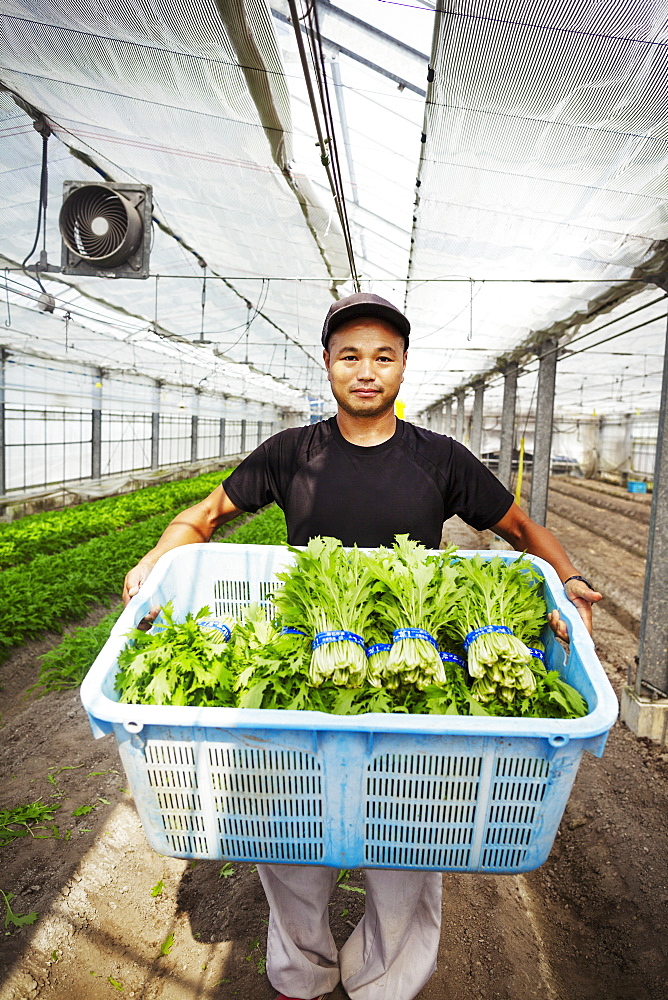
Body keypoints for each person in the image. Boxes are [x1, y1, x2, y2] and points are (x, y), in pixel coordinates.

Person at [123, 292, 601, 1000]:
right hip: (308, 663)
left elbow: (524, 530)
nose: (367, 370)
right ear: (328, 366)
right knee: (286, 833)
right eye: (351, 356)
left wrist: (571, 578)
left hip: (416, 680)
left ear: (404, 367)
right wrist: (156, 561)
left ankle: (384, 982)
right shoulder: (291, 453)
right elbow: (207, 515)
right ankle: (301, 977)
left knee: (409, 838)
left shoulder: (441, 459)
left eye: (384, 356)